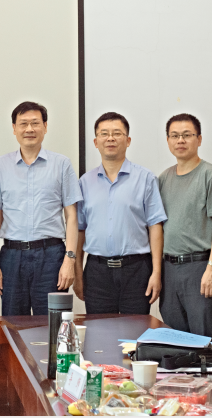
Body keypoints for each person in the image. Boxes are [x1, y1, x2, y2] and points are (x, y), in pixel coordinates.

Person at [0, 101, 81, 316]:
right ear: (14, 128)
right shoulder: (0, 166)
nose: (29, 129)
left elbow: (71, 216)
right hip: (12, 256)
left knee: (52, 324)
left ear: (45, 127)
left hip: (51, 256)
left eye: (35, 123)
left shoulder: (61, 164)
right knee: (13, 323)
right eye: (23, 123)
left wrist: (69, 260)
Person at [73, 112, 166, 315]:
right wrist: (78, 273)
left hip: (136, 270)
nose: (110, 138)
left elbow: (155, 226)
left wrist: (156, 272)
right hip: (97, 271)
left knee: (135, 330)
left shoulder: (145, 179)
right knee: (99, 331)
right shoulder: (84, 182)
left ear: (128, 140)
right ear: (95, 142)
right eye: (104, 134)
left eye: (117, 133)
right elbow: (79, 230)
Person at [157, 113, 212, 340]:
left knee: (203, 342)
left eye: (187, 135)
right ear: (168, 140)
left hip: (199, 268)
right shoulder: (164, 178)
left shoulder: (211, 175)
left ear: (199, 139)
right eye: (175, 136)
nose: (180, 140)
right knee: (174, 342)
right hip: (169, 270)